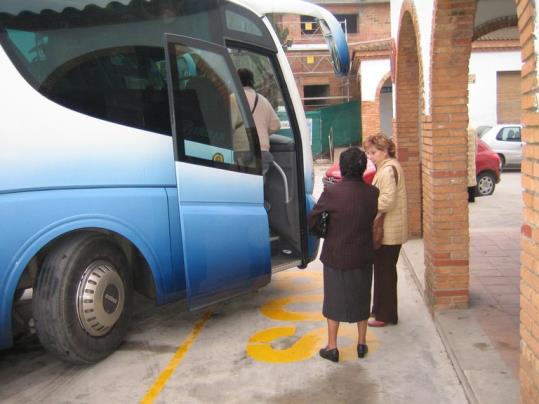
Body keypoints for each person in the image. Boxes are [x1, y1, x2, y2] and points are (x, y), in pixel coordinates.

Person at [309, 147, 379, 362]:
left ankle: (332, 347)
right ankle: (361, 343)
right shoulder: (372, 193)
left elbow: (313, 218)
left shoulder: (332, 193)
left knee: (334, 300)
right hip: (363, 254)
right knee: (361, 296)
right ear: (362, 167)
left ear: (342, 167)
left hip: (336, 255)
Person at [363, 133, 408, 327]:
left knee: (384, 273)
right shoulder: (389, 166)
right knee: (386, 272)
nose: (370, 157)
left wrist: (367, 204)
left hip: (388, 231)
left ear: (385, 151)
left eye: (373, 153)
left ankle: (383, 316)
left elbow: (387, 201)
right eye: (368, 153)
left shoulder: (388, 170)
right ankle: (386, 312)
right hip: (391, 229)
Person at [237, 68, 281, 175]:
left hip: (240, 150)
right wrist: (262, 132)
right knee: (259, 186)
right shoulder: (263, 100)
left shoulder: (233, 99)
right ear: (252, 81)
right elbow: (276, 125)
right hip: (261, 152)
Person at [467, 128, 477, 203]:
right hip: (472, 160)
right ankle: (471, 198)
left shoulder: (466, 130)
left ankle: (470, 198)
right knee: (471, 178)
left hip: (467, 160)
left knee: (469, 179)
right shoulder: (473, 130)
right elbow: (476, 145)